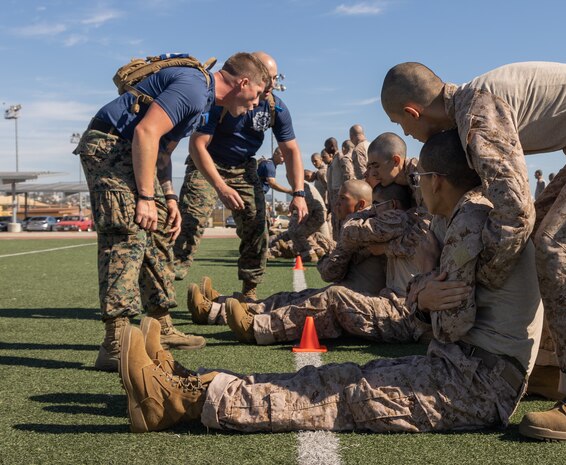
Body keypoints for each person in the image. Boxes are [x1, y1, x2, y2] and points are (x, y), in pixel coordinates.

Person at [117, 129, 543, 434]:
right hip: (464, 369)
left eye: (421, 179)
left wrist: (421, 291)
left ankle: (184, 401)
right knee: (339, 375)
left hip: (477, 386)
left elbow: (448, 322)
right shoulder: (470, 212)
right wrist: (424, 290)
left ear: (435, 181)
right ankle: (201, 382)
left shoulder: (470, 217)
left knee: (341, 396)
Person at [381, 61, 566, 440]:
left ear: (412, 112)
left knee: (564, 249)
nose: (407, 133)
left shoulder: (477, 109)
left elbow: (514, 208)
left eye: (401, 124)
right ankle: (555, 370)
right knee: (542, 236)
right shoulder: (475, 102)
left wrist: (480, 276)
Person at [74, 52, 270, 372]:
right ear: (244, 83)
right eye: (258, 94)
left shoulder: (204, 101)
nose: (256, 103)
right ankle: (115, 343)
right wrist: (145, 197)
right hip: (110, 147)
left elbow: (163, 151)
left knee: (160, 231)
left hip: (135, 153)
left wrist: (169, 199)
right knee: (126, 235)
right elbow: (145, 133)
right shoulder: (194, 87)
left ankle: (160, 325)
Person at [225, 181, 436, 345]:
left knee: (331, 297)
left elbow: (331, 269)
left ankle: (257, 328)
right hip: (380, 303)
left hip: (399, 313)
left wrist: (361, 220)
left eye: (342, 199)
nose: (336, 204)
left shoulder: (390, 224)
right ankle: (223, 311)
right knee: (296, 297)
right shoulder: (382, 230)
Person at [173, 52, 308, 302]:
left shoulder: (276, 107)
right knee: (191, 221)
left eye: (275, 79)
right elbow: (197, 146)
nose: (271, 85)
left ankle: (249, 293)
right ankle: (165, 289)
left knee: (257, 224)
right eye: (267, 78)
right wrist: (221, 187)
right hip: (208, 164)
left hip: (243, 168)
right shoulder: (222, 100)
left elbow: (291, 151)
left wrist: (298, 193)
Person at [187, 179, 386, 325]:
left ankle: (213, 311)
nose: (337, 203)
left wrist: (323, 255)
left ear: (360, 204)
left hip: (354, 301)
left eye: (343, 199)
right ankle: (219, 303)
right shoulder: (366, 223)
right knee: (286, 298)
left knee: (292, 306)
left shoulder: (355, 227)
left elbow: (329, 273)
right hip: (350, 295)